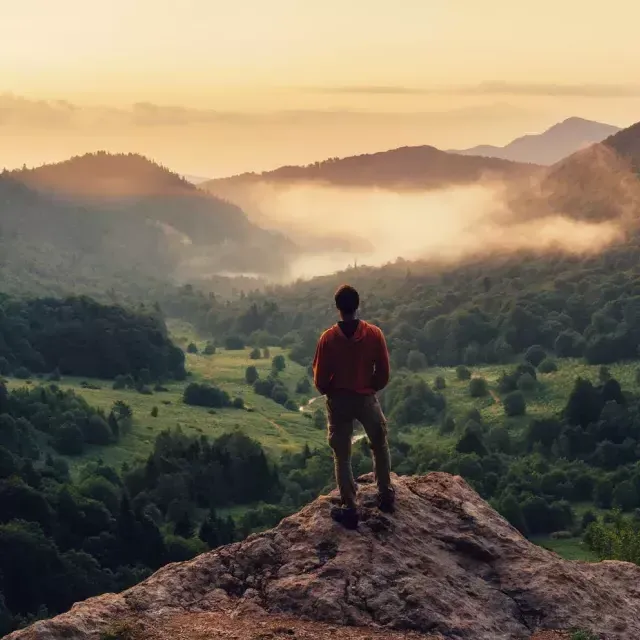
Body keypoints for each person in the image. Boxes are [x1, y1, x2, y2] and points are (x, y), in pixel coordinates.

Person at [313, 284, 394, 529]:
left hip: (339, 400)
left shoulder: (328, 338)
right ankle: (386, 495)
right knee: (379, 444)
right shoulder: (373, 334)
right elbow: (383, 371)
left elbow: (319, 379)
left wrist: (331, 391)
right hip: (366, 398)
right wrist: (371, 388)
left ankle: (350, 507)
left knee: (342, 455)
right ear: (357, 305)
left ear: (338, 308)